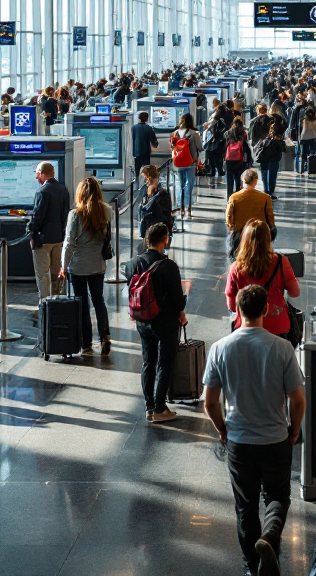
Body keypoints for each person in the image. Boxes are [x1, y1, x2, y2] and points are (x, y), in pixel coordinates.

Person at [202, 284, 305, 576]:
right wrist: (294, 431)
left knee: (245, 507)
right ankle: (270, 536)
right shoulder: (282, 348)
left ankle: (251, 567)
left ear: (237, 309)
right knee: (277, 497)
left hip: (239, 440)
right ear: (265, 310)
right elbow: (297, 400)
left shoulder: (220, 348)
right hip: (275, 439)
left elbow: (210, 402)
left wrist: (222, 430)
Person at [131, 223, 187, 422]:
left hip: (143, 320)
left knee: (148, 362)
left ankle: (149, 407)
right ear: (165, 240)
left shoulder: (137, 261)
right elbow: (178, 299)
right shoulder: (169, 266)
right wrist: (182, 311)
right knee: (165, 363)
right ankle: (160, 408)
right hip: (164, 321)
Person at [59, 176, 113, 357]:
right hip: (98, 264)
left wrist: (63, 266)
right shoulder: (106, 211)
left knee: (82, 303)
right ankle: (105, 336)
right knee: (99, 300)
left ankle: (86, 343)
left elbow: (69, 243)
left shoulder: (75, 214)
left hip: (78, 266)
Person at [225, 220, 300, 338]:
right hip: (276, 326)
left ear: (245, 239)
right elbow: (295, 293)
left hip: (246, 328)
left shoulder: (236, 267)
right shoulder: (281, 262)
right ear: (268, 239)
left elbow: (232, 306)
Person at [28, 161, 71, 302]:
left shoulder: (42, 192)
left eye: (37, 175)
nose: (37, 179)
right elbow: (65, 214)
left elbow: (38, 216)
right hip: (59, 238)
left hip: (43, 240)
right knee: (55, 273)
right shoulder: (63, 189)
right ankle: (56, 300)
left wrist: (30, 229)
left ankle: (44, 302)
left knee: (42, 274)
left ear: (42, 174)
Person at [226, 169, 276, 258]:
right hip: (259, 230)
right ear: (255, 181)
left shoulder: (234, 197)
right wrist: (270, 228)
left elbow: (229, 216)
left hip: (240, 231)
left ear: (242, 180)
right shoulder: (265, 197)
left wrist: (231, 228)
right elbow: (270, 216)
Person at [170, 113, 202, 221]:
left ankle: (181, 209)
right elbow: (200, 147)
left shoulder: (175, 133)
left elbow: (172, 147)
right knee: (189, 186)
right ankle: (188, 210)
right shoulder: (194, 133)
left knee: (180, 185)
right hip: (190, 162)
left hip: (178, 163)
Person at [139, 163, 174, 241]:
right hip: (150, 227)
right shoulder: (147, 189)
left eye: (145, 177)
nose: (145, 180)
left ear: (149, 177)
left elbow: (166, 213)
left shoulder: (162, 193)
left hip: (158, 229)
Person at [131, 111, 159, 180]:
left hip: (136, 153)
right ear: (146, 119)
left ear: (139, 118)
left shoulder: (133, 128)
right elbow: (154, 142)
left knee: (137, 171)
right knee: (146, 172)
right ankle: (144, 186)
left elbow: (132, 138)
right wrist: (155, 145)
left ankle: (136, 186)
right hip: (145, 153)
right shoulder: (149, 128)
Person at [298, 106, 316, 173]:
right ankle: (311, 166)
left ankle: (303, 166)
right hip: (313, 137)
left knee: (304, 153)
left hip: (304, 138)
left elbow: (301, 129)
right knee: (312, 153)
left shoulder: (304, 120)